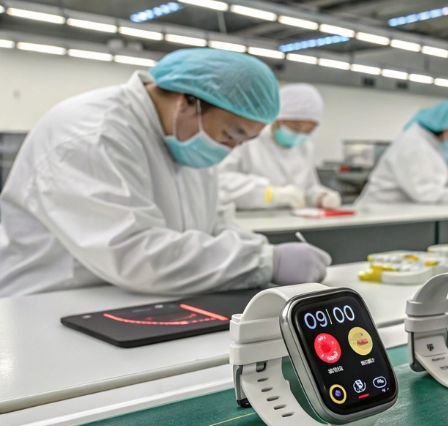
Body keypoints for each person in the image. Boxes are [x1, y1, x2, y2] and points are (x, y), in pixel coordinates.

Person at [0, 48, 331, 297]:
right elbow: (135, 254)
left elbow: (212, 224)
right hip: (52, 302)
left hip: (134, 298)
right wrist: (263, 261)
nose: (230, 149)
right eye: (231, 134)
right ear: (188, 103)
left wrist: (255, 247)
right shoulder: (91, 135)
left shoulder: (186, 136)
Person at [219, 83, 341, 210]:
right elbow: (222, 181)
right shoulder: (248, 140)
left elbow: (308, 187)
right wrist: (271, 194)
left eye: (308, 130)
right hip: (250, 218)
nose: (300, 134)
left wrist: (320, 196)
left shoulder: (306, 148)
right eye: (295, 127)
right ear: (278, 118)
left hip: (292, 220)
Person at [356, 97, 448, 205]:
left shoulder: (426, 143)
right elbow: (427, 193)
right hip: (379, 212)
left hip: (395, 210)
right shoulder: (415, 145)